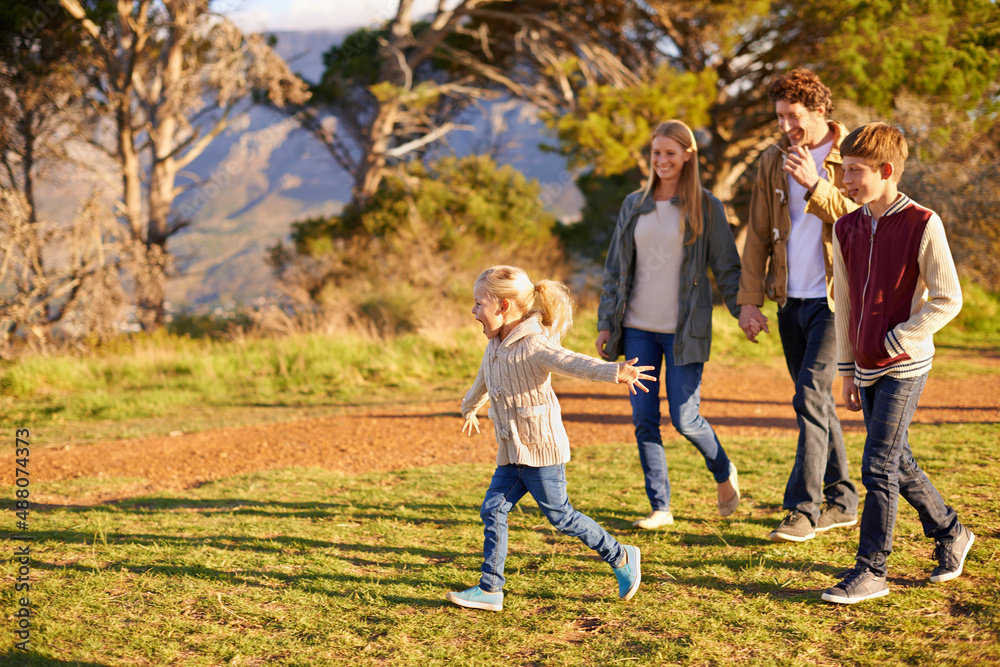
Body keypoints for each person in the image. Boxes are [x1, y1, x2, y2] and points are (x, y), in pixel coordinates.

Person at [821, 123, 973, 604]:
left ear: (886, 171)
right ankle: (952, 531)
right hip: (863, 365)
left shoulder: (923, 223)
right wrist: (845, 371)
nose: (845, 181)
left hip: (906, 363)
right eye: (843, 171)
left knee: (878, 464)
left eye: (854, 172)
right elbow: (842, 304)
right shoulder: (844, 226)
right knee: (895, 459)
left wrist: (898, 336)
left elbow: (948, 299)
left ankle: (873, 571)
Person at [446, 265, 655, 612]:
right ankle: (490, 589)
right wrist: (469, 406)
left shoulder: (534, 345)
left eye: (479, 303)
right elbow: (484, 379)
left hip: (541, 451)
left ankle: (621, 555)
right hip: (512, 451)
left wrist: (613, 371)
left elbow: (571, 362)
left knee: (561, 517)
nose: (473, 310)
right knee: (493, 510)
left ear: (504, 307)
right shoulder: (495, 345)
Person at [596, 119, 742, 530]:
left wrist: (743, 309)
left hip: (684, 332)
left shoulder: (705, 206)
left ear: (688, 156)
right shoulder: (633, 204)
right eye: (656, 153)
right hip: (637, 328)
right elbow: (615, 270)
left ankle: (722, 469)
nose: (662, 161)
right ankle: (661, 506)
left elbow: (727, 267)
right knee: (644, 417)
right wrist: (607, 323)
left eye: (670, 154)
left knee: (684, 418)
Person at [737, 69, 860, 542]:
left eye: (793, 116)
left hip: (835, 301)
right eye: (780, 117)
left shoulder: (853, 154)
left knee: (810, 395)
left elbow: (863, 221)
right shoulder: (774, 159)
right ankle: (845, 500)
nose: (786, 126)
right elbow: (756, 236)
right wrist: (750, 302)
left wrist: (816, 184)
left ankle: (803, 509)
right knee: (816, 402)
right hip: (791, 301)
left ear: (819, 110)